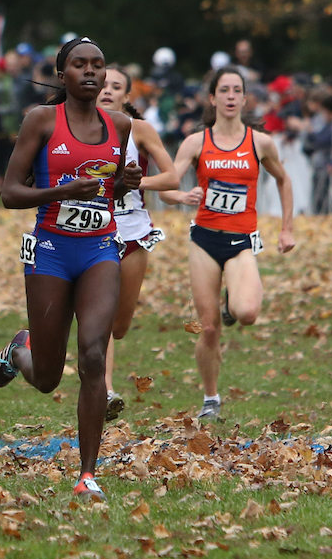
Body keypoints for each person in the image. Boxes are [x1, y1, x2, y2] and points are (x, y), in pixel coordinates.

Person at [0, 37, 141, 501]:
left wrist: (121, 185)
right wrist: (60, 193)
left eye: (98, 65)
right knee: (50, 376)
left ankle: (88, 474)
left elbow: (107, 192)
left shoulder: (120, 124)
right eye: (80, 65)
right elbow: (9, 193)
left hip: (99, 249)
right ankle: (20, 352)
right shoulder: (41, 120)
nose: (91, 72)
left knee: (94, 354)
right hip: (50, 251)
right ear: (62, 75)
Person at [160, 66, 295, 421]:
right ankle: (210, 399)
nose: (231, 96)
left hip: (241, 241)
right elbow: (169, 184)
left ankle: (231, 304)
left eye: (237, 90)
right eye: (225, 90)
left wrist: (286, 229)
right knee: (208, 328)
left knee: (247, 313)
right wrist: (182, 195)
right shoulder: (196, 141)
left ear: (245, 98)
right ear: (213, 98)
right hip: (204, 240)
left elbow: (283, 180)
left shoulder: (260, 142)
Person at [97, 65, 179, 419]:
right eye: (101, 84)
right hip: (94, 232)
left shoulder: (140, 130)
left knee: (119, 324)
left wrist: (137, 183)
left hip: (133, 230)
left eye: (116, 86)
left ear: (126, 96)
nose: (106, 90)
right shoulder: (75, 127)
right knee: (100, 316)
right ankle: (105, 390)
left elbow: (172, 176)